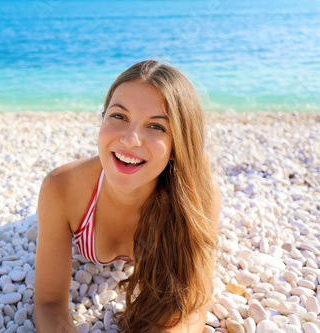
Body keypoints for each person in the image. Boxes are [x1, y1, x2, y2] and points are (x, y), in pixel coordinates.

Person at [34, 60, 220, 333]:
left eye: (156, 126)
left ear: (176, 146)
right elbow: (49, 303)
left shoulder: (197, 196)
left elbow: (191, 306)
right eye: (119, 116)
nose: (130, 139)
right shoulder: (61, 188)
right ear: (102, 119)